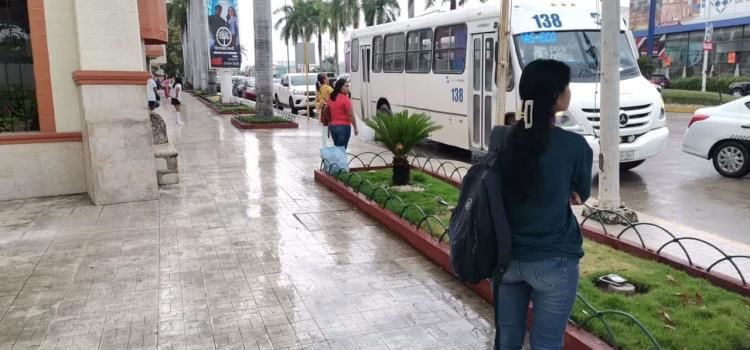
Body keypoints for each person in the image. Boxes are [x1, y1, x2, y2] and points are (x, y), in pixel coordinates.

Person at [493, 59, 593, 350]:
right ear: (557, 97)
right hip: (555, 260)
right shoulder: (575, 147)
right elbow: (581, 194)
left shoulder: (502, 138)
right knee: (547, 343)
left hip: (506, 258)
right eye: (567, 86)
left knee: (507, 338)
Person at [327, 78, 358, 149]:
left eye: (348, 86)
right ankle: (340, 160)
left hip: (333, 127)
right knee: (341, 150)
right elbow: (350, 115)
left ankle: (336, 160)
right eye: (346, 86)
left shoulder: (331, 98)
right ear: (340, 88)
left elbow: (329, 112)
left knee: (337, 148)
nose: (348, 88)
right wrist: (355, 127)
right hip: (343, 127)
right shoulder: (345, 99)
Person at [315, 73, 334, 147]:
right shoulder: (327, 87)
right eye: (327, 77)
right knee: (332, 130)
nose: (328, 79)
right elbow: (334, 97)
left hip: (322, 112)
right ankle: (333, 147)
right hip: (329, 111)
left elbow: (316, 102)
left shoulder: (318, 89)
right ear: (324, 79)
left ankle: (324, 147)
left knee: (324, 130)